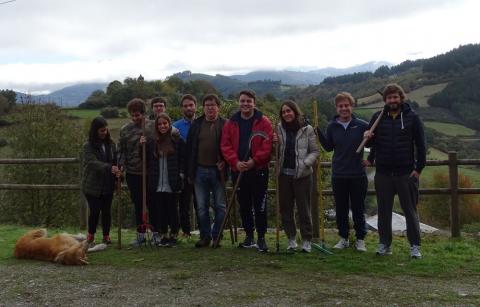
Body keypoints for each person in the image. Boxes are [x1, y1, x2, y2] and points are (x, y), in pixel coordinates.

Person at [364, 83, 426, 258]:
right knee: (383, 210)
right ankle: (385, 244)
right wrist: (367, 137)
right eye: (389, 97)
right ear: (385, 100)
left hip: (405, 172)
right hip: (383, 173)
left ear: (401, 98)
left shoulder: (412, 117)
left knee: (410, 210)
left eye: (395, 97)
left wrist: (418, 169)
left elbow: (421, 145)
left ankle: (415, 246)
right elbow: (370, 144)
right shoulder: (378, 117)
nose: (392, 100)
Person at [221, 89, 273, 252]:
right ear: (238, 102)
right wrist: (235, 162)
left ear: (254, 103)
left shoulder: (263, 121)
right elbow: (225, 145)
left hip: (258, 170)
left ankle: (262, 238)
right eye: (242, 101)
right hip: (239, 170)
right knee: (244, 205)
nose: (245, 104)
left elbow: (267, 144)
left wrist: (254, 161)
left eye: (248, 101)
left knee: (260, 205)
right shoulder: (231, 122)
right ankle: (249, 236)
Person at [317, 92, 369, 252]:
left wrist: (371, 159)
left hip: (358, 174)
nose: (344, 108)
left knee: (358, 208)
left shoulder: (362, 125)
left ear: (351, 107)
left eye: (347, 105)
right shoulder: (332, 126)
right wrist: (317, 132)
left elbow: (375, 143)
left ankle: (360, 239)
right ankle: (344, 238)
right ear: (337, 108)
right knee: (341, 208)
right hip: (339, 174)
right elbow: (328, 147)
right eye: (341, 106)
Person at [273, 101, 319, 253]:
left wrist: (306, 163)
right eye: (284, 112)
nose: (287, 114)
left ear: (295, 111)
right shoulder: (278, 128)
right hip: (284, 174)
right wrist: (274, 143)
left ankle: (307, 240)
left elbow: (314, 151)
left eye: (289, 111)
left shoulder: (307, 129)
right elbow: (276, 151)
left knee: (304, 209)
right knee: (285, 209)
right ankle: (291, 238)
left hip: (302, 175)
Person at [186, 94, 226, 247]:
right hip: (199, 171)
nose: (210, 107)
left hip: (218, 172)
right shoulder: (196, 124)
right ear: (203, 107)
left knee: (220, 206)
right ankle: (205, 237)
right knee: (202, 207)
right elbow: (190, 150)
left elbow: (230, 148)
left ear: (218, 107)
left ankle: (217, 235)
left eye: (213, 105)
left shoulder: (225, 124)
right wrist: (190, 172)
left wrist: (226, 163)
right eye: (207, 105)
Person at [143, 113, 185, 247]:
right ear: (156, 126)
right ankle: (163, 235)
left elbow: (183, 159)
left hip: (171, 181)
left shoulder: (177, 141)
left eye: (165, 123)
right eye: (159, 124)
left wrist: (181, 174)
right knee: (159, 209)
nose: (162, 126)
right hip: (157, 182)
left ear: (169, 124)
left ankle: (173, 234)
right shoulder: (151, 142)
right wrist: (141, 146)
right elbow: (144, 159)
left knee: (172, 209)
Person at [118, 98, 154, 246]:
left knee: (153, 203)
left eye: (137, 115)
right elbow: (121, 151)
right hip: (133, 173)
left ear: (143, 113)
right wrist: (120, 167)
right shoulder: (125, 130)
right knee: (138, 204)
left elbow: (171, 134)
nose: (135, 118)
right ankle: (140, 235)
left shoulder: (152, 127)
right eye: (132, 115)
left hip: (150, 172)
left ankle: (156, 234)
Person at [82, 117, 121, 245]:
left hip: (108, 184)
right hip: (92, 185)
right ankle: (91, 235)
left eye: (105, 130)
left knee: (106, 212)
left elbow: (115, 161)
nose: (104, 132)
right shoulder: (88, 146)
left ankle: (106, 236)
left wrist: (118, 173)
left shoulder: (111, 144)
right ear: (95, 131)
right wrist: (109, 167)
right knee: (94, 211)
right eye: (101, 131)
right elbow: (92, 162)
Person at [173, 94, 198, 237]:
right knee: (183, 203)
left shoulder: (202, 123)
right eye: (185, 105)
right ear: (182, 108)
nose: (188, 108)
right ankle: (186, 232)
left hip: (200, 169)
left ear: (195, 106)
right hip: (183, 170)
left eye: (191, 105)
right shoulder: (175, 127)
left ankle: (204, 232)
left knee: (201, 203)